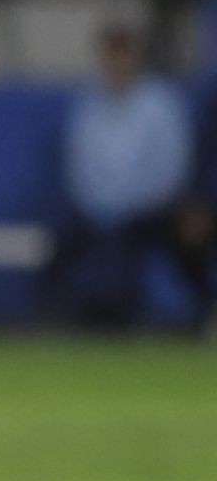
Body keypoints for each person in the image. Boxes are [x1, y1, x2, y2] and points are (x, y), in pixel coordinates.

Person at [58, 24, 210, 326]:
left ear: (135, 58)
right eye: (110, 57)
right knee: (62, 248)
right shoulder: (88, 108)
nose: (116, 64)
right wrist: (100, 209)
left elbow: (169, 171)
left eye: (122, 55)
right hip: (95, 213)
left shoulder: (161, 106)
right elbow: (78, 170)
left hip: (150, 211)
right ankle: (59, 325)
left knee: (125, 246)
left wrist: (127, 208)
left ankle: (124, 324)